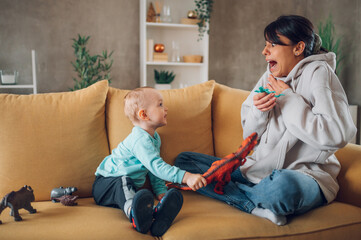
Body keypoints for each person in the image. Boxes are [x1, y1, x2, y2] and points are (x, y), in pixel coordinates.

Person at [175, 15, 356, 225]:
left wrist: (289, 99)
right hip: (258, 170)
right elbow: (249, 135)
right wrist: (259, 112)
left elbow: (336, 135)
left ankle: (253, 196)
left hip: (304, 176)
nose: (264, 51)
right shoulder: (270, 76)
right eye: (265, 45)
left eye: (272, 44)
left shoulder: (319, 73)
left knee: (279, 189)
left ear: (298, 48)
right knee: (184, 162)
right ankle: (254, 205)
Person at [92, 87, 207, 236]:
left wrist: (160, 191)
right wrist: (187, 177)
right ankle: (134, 214)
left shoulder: (154, 138)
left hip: (123, 189)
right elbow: (157, 167)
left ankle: (154, 217)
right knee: (123, 182)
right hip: (105, 184)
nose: (166, 108)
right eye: (160, 105)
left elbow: (152, 168)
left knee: (130, 187)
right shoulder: (139, 139)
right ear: (144, 114)